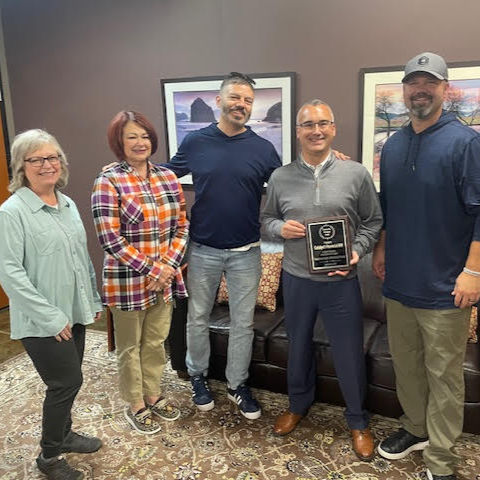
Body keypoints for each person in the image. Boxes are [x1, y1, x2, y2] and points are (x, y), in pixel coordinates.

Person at [372, 52, 480, 480]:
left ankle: (441, 460)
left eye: (429, 82)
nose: (420, 89)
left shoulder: (466, 143)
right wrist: (381, 249)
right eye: (413, 82)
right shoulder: (394, 145)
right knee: (407, 366)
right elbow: (388, 208)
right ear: (404, 89)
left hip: (445, 288)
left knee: (445, 378)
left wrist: (473, 271)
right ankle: (415, 428)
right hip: (399, 282)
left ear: (443, 89)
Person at [262, 100, 382, 461]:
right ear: (297, 132)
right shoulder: (281, 176)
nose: (316, 130)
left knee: (347, 353)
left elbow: (373, 221)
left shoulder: (356, 173)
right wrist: (280, 227)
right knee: (297, 346)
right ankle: (298, 405)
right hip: (297, 279)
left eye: (323, 124)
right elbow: (266, 219)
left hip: (341, 281)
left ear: (333, 128)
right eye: (308, 124)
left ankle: (358, 421)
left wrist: (357, 251)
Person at [166, 72, 281, 419]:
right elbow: (165, 174)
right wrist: (128, 170)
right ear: (219, 101)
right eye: (235, 98)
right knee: (198, 318)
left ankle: (236, 384)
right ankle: (197, 376)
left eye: (247, 100)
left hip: (247, 252)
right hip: (202, 249)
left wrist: (327, 163)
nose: (241, 105)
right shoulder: (196, 142)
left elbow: (288, 184)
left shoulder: (262, 149)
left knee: (242, 324)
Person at [0, 129, 103, 480]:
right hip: (43, 320)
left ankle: (65, 434)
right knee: (65, 383)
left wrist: (91, 297)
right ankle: (49, 455)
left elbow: (81, 258)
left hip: (73, 312)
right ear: (21, 166)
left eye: (53, 157)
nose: (47, 165)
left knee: (71, 380)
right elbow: (9, 273)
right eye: (37, 159)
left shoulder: (67, 203)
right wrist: (50, 317)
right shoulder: (12, 213)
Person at [91, 111, 188, 434]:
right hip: (127, 282)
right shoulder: (107, 182)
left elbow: (182, 227)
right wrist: (152, 269)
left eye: (144, 136)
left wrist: (168, 267)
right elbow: (109, 239)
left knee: (156, 342)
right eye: (131, 136)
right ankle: (135, 403)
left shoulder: (168, 178)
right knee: (130, 346)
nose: (140, 142)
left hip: (163, 280)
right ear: (119, 141)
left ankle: (154, 394)